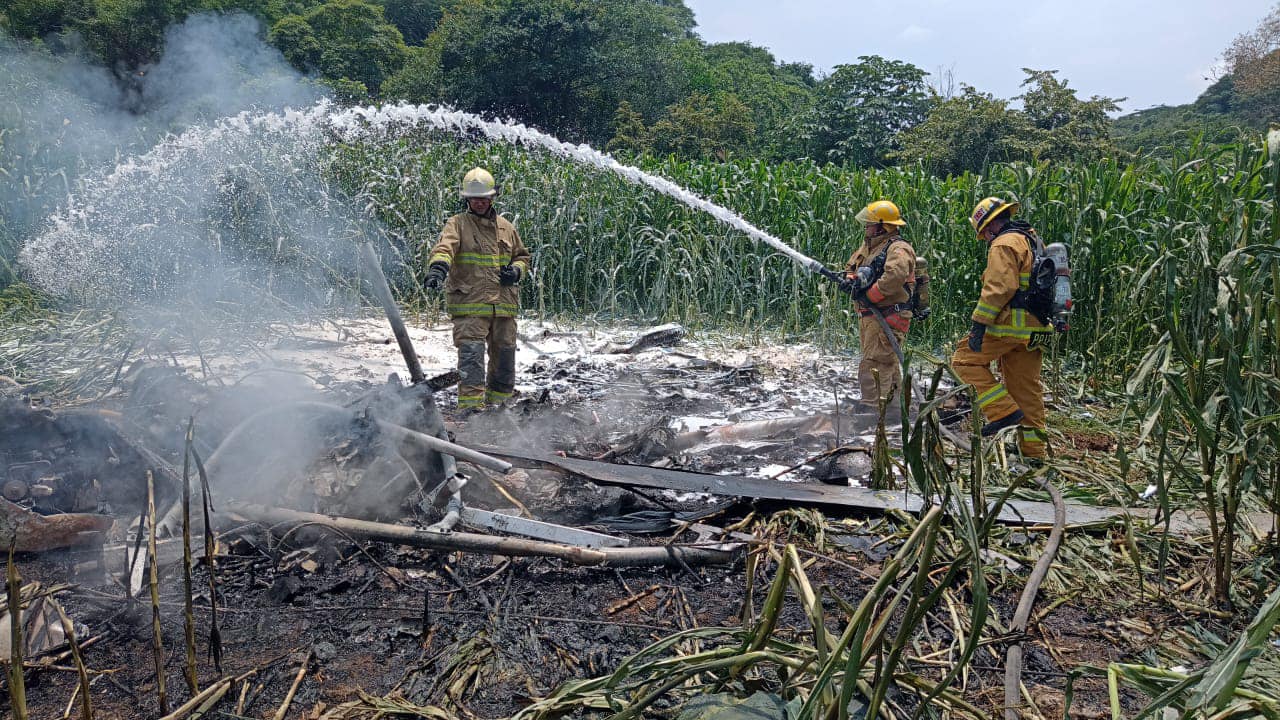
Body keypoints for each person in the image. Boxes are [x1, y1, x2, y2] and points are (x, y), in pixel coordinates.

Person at [951, 196, 1052, 460]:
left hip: (1010, 325)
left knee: (964, 362)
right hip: (1036, 328)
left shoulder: (1004, 243)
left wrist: (978, 325)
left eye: (983, 232)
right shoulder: (1031, 240)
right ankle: (1034, 455)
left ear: (992, 224)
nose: (984, 238)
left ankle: (1002, 412)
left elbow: (999, 289)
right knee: (1026, 391)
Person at [423, 167, 531, 411]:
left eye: (483, 198)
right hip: (470, 305)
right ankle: (471, 410)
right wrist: (438, 269)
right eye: (474, 198)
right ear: (466, 200)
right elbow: (444, 248)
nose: (479, 203)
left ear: (493, 197)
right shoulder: (458, 224)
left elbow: (523, 257)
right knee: (471, 359)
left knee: (505, 358)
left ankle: (500, 407)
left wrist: (516, 271)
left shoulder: (506, 227)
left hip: (503, 307)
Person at [842, 200, 917, 412]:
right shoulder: (871, 246)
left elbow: (895, 275)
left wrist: (871, 296)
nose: (866, 227)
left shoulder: (898, 248)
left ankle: (874, 410)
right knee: (887, 362)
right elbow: (853, 267)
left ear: (883, 226)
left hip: (887, 314)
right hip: (872, 316)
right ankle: (894, 409)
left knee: (875, 363)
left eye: (870, 224)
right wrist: (851, 280)